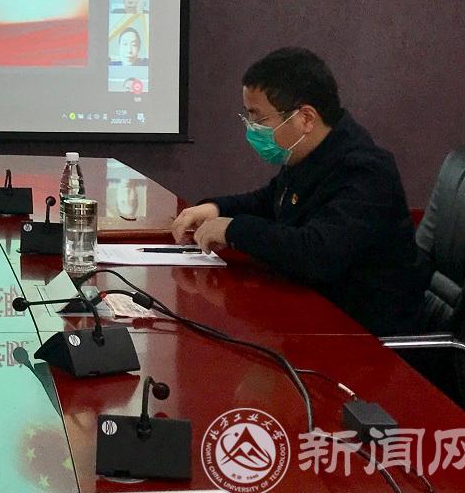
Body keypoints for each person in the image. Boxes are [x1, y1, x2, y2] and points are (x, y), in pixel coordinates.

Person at [171, 48, 430, 336]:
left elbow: (317, 253)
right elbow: (270, 201)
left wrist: (233, 230)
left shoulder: (366, 172)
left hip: (361, 335)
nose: (252, 129)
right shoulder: (311, 154)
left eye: (259, 119)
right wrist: (216, 209)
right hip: (315, 313)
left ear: (306, 118)